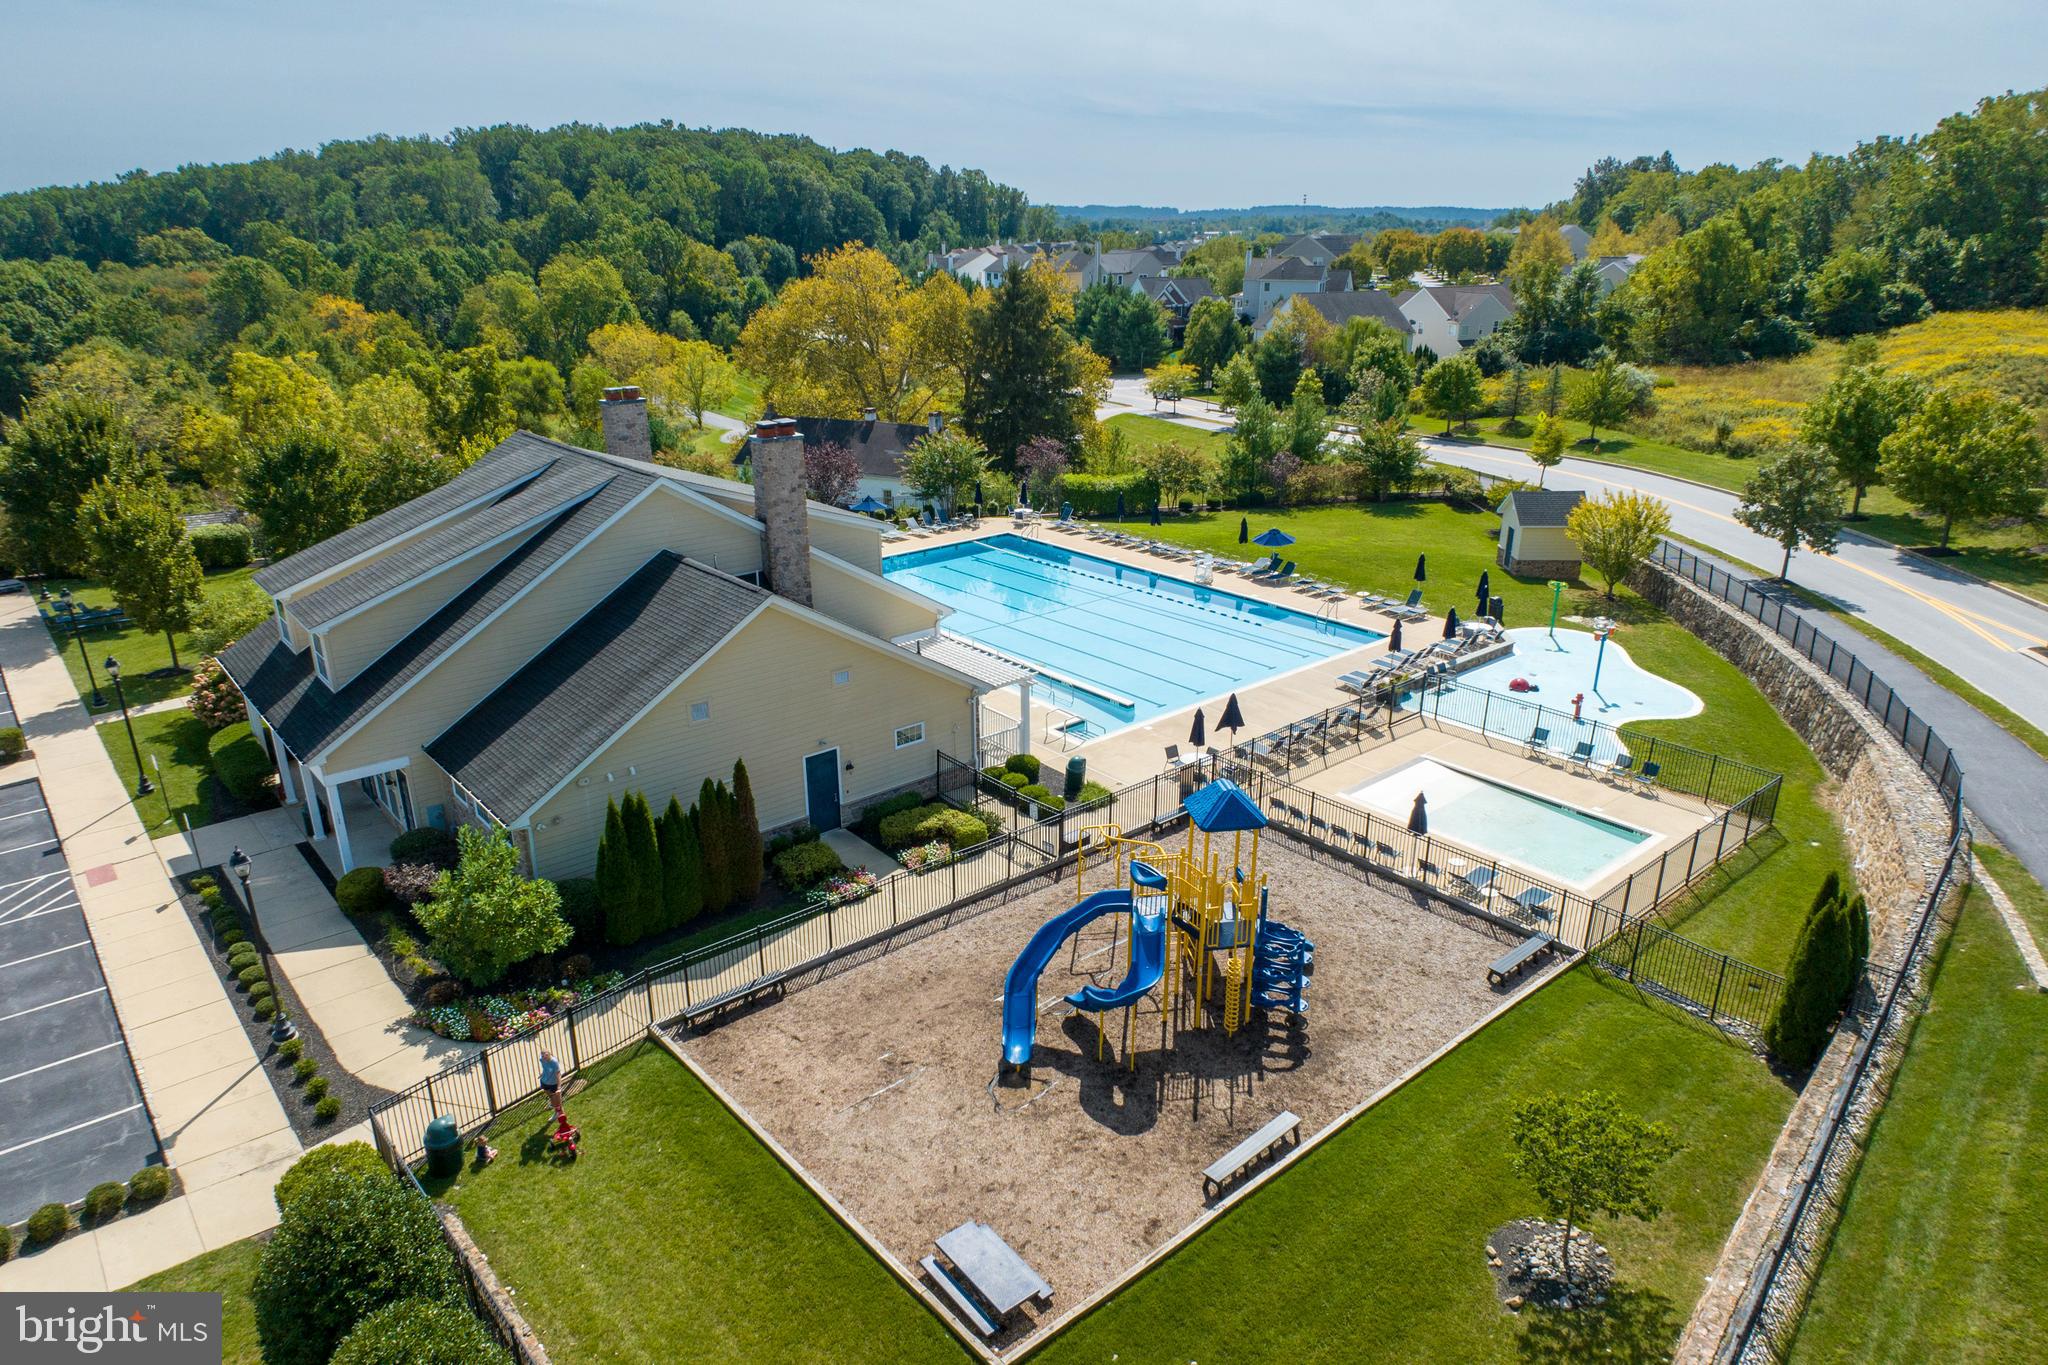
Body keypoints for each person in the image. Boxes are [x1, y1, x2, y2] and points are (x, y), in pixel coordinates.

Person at [539, 1048, 563, 1118]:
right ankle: (555, 1109)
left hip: (553, 1084)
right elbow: (545, 1067)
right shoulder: (541, 1059)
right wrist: (542, 1074)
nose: (544, 1058)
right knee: (552, 1097)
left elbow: (558, 1074)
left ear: (549, 1054)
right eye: (543, 1056)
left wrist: (559, 1087)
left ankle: (560, 1115)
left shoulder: (554, 1062)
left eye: (546, 1055)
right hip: (544, 1081)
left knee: (558, 1102)